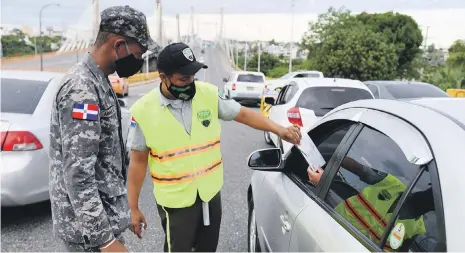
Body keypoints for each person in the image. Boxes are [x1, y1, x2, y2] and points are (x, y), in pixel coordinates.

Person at [127, 42, 302, 252]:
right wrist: (134, 207)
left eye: (192, 76)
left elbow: (244, 114)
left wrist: (279, 130)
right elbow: (137, 162)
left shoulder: (208, 94)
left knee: (207, 249)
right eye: (183, 78)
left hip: (209, 194)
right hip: (175, 201)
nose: (190, 82)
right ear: (163, 77)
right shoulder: (143, 110)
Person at [49, 5, 157, 252]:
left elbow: (105, 164)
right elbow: (79, 174)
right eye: (139, 53)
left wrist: (126, 211)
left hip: (105, 222)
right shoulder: (82, 90)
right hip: (90, 235)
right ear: (119, 46)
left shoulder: (99, 80)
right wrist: (106, 242)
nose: (140, 60)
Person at [307, 157, 434, 251]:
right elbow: (358, 168)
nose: (429, 200)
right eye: (432, 194)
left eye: (434, 202)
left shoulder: (416, 229)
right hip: (329, 231)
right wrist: (331, 161)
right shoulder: (390, 183)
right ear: (429, 188)